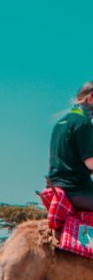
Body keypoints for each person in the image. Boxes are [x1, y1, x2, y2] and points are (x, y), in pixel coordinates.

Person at [48, 82, 93, 211]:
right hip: (76, 190)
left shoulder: (61, 123)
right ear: (90, 98)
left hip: (55, 186)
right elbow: (90, 163)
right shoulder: (83, 123)